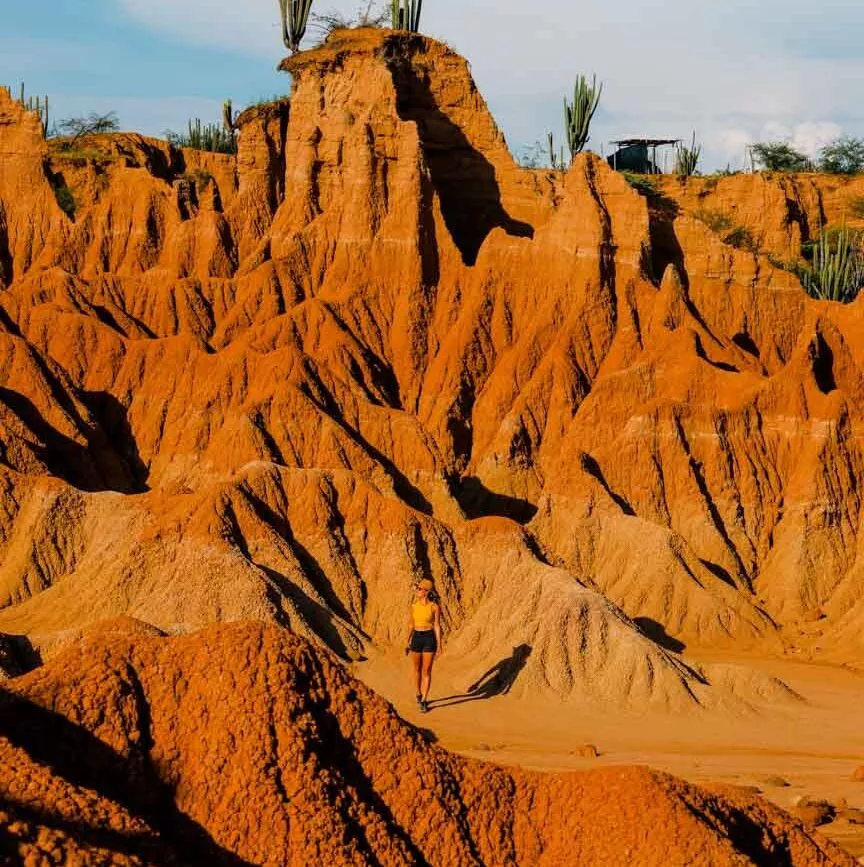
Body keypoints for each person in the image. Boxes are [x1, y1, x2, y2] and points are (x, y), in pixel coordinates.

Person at [405, 578, 442, 713]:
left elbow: (437, 626)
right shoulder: (413, 607)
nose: (417, 591)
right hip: (416, 638)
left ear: (426, 592)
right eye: (418, 588)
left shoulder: (434, 607)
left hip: (429, 638)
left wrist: (439, 645)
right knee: (416, 669)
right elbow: (411, 625)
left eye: (420, 589)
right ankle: (418, 693)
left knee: (426, 671)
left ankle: (424, 700)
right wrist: (406, 642)